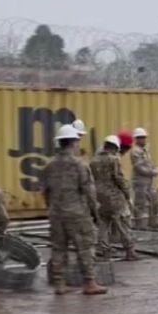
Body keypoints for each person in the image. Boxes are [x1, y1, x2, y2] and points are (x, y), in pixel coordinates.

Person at [41, 124, 108, 295]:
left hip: (56, 214)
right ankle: (90, 283)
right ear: (72, 143)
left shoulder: (49, 166)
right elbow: (89, 191)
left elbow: (45, 192)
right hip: (77, 213)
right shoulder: (79, 165)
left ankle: (60, 284)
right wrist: (94, 212)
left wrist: (52, 208)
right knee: (85, 247)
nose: (79, 145)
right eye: (77, 142)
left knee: (58, 248)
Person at [91, 135, 139, 261]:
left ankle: (104, 251)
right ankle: (130, 251)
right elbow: (119, 178)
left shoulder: (93, 160)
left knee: (103, 225)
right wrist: (127, 194)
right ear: (115, 147)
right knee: (123, 224)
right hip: (115, 198)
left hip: (99, 198)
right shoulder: (114, 159)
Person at [130, 127, 158, 227]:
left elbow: (149, 163)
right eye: (141, 138)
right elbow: (139, 168)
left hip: (149, 181)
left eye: (144, 137)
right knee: (140, 203)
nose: (143, 139)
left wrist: (155, 168)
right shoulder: (135, 151)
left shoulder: (145, 150)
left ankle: (153, 222)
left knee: (155, 201)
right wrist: (153, 172)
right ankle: (139, 224)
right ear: (136, 139)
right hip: (140, 181)